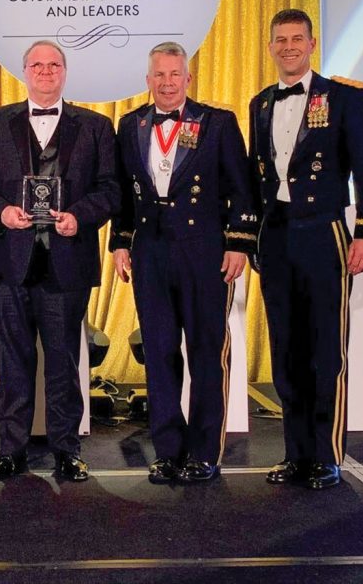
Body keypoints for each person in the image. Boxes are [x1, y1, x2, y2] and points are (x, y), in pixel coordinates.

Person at [0, 40, 120, 482]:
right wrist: (1, 212)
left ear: (65, 72)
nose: (46, 71)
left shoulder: (95, 127)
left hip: (65, 262)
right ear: (24, 70)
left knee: (64, 361)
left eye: (54, 64)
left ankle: (66, 451)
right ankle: (10, 449)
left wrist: (79, 218)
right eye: (38, 64)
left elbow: (110, 190)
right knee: (11, 360)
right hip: (9, 262)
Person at [249, 9, 363, 490]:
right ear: (270, 47)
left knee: (326, 349)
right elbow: (256, 177)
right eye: (280, 40)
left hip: (323, 231)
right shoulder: (261, 103)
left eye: (296, 39)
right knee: (286, 349)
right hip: (278, 234)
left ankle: (326, 455)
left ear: (312, 44)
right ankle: (295, 453)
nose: (288, 47)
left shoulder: (345, 97)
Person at [109, 42, 258, 483]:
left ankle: (204, 452)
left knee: (205, 353)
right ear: (148, 79)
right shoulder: (130, 124)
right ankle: (168, 450)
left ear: (188, 79)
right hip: (150, 252)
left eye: (175, 75)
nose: (168, 83)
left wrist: (239, 244)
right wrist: (121, 242)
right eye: (160, 75)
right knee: (158, 354)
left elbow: (243, 190)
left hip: (204, 252)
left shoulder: (217, 123)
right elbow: (122, 191)